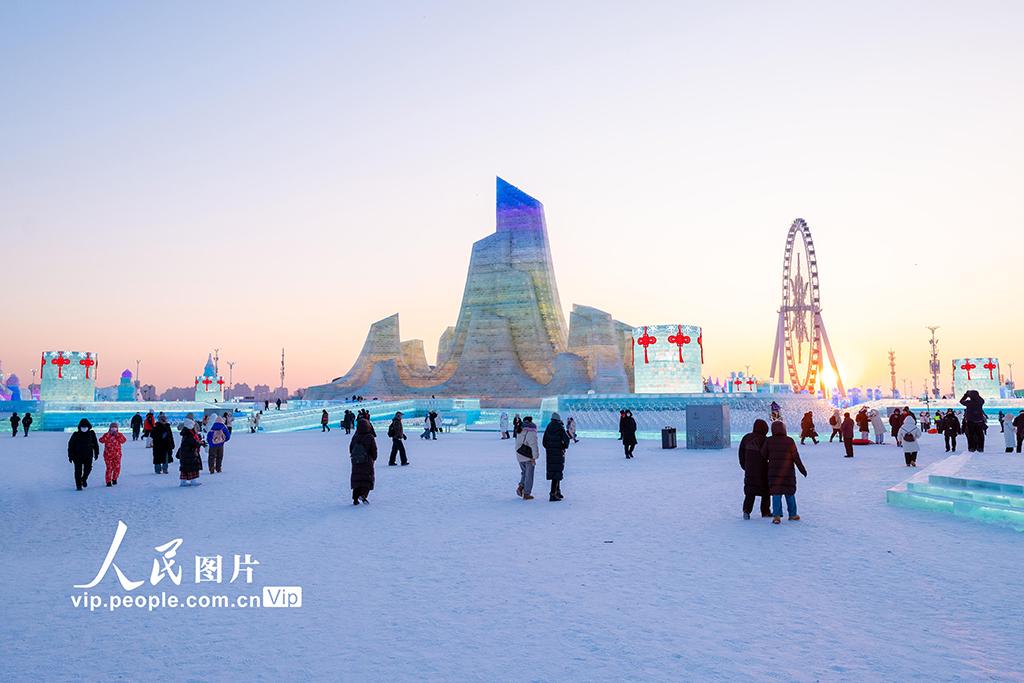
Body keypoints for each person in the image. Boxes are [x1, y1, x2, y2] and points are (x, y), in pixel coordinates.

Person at [762, 421, 808, 524]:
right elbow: (796, 457)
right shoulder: (789, 441)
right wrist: (802, 469)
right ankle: (793, 514)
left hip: (774, 472)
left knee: (776, 493)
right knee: (789, 493)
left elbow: (763, 454)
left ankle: (776, 516)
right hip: (788, 472)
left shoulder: (769, 440)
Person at [738, 419, 771, 519]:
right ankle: (765, 511)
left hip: (750, 470)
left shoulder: (746, 438)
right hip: (764, 470)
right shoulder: (766, 440)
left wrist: (745, 466)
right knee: (766, 491)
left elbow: (741, 454)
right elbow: (770, 455)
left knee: (750, 491)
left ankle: (746, 511)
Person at [543, 413, 571, 501]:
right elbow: (566, 439)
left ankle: (557, 491)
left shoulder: (548, 427)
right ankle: (553, 494)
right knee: (557, 472)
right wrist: (563, 447)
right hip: (558, 453)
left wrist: (549, 448)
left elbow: (544, 442)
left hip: (550, 454)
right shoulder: (560, 427)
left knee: (554, 472)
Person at [349, 417, 378, 505]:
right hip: (367, 461)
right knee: (367, 479)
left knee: (357, 479)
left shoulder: (355, 436)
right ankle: (363, 495)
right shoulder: (370, 436)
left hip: (356, 461)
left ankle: (355, 499)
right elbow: (374, 449)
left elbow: (351, 448)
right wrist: (373, 458)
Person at [67, 418, 99, 490]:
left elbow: (95, 444)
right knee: (78, 471)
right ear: (79, 427)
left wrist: (96, 453)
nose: (84, 428)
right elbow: (71, 445)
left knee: (88, 469)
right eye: (82, 427)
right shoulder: (76, 434)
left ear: (88, 427)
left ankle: (83, 479)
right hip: (77, 456)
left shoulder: (91, 434)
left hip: (88, 455)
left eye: (85, 427)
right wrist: (70, 456)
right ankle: (78, 485)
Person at [514, 416, 539, 500]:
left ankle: (520, 487)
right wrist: (534, 457)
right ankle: (527, 493)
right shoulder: (531, 430)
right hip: (528, 456)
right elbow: (533, 444)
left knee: (524, 472)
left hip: (520, 453)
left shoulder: (519, 429)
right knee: (529, 475)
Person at [176, 418, 204, 487]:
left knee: (185, 468)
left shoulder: (186, 432)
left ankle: (183, 481)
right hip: (189, 453)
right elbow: (193, 443)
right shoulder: (189, 434)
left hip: (186, 453)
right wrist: (200, 443)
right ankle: (193, 481)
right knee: (192, 467)